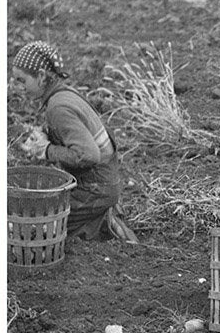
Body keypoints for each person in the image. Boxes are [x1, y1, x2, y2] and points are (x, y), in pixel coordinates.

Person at [11, 41, 137, 243]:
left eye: (21, 80)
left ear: (41, 76)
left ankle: (103, 221)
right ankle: (100, 220)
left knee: (36, 228)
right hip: (104, 184)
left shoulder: (58, 107)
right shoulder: (64, 95)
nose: (18, 87)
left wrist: (46, 150)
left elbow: (88, 155)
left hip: (94, 189)